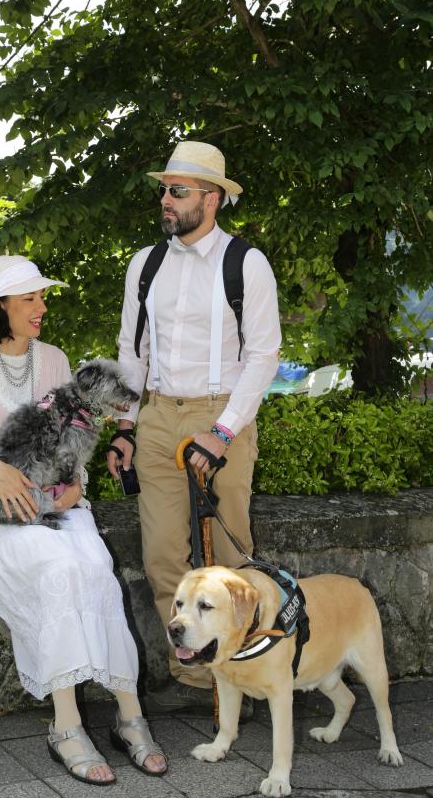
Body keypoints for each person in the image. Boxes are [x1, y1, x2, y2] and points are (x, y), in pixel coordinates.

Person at [0, 254, 166, 785]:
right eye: (30, 299)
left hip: (56, 502)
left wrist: (73, 490)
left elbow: (73, 448)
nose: (42, 308)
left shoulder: (57, 359)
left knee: (95, 567)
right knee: (59, 568)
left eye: (42, 298)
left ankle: (129, 717)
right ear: (1, 308)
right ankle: (66, 726)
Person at [107, 141, 281, 713]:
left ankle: (244, 675)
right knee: (163, 559)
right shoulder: (145, 264)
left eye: (177, 191)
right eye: (164, 188)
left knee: (232, 566)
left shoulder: (246, 264)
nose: (165, 199)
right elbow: (132, 354)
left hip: (220, 415)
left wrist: (224, 431)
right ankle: (200, 679)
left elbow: (263, 357)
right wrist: (126, 427)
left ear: (211, 199)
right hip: (157, 417)